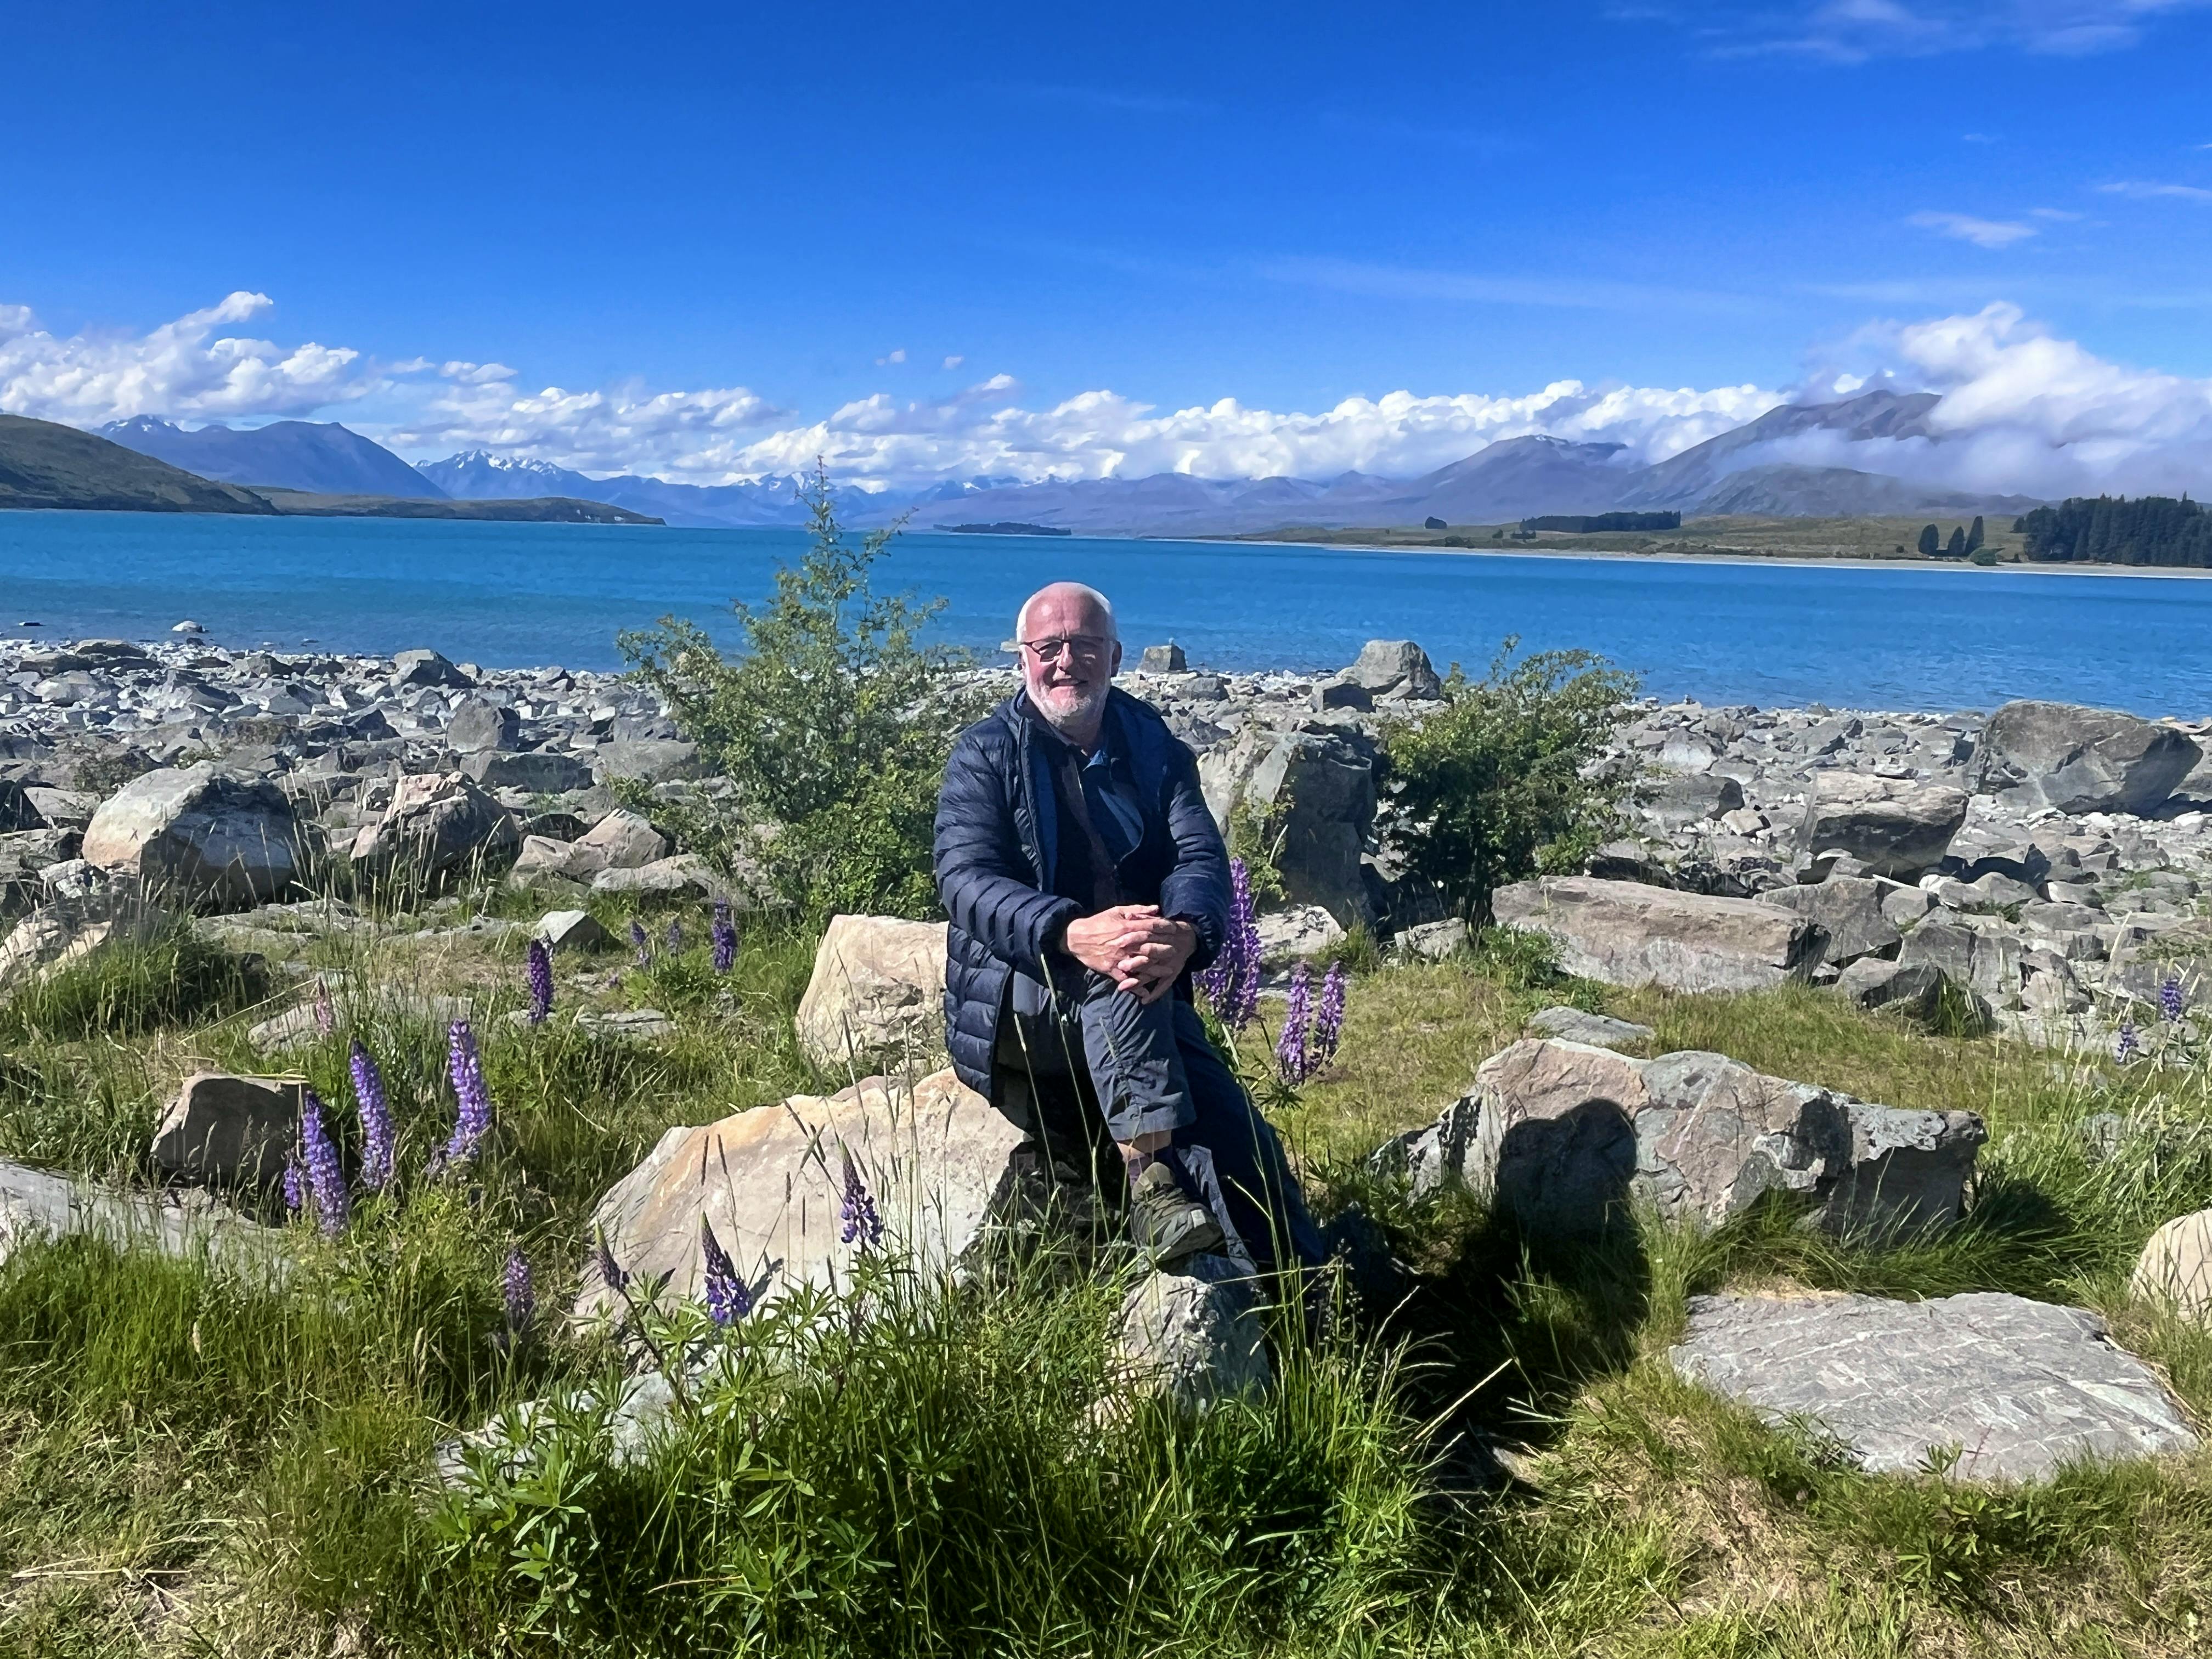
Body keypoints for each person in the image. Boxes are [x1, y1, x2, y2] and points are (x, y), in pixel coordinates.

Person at [933, 581, 1323, 1275]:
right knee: (1118, 963)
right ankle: (1151, 1182)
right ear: (1022, 659)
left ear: (1114, 657)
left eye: (1083, 645)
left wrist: (1185, 932)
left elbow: (1199, 856)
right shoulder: (985, 753)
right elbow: (963, 881)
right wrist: (1071, 931)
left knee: (1240, 1144)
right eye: (1048, 647)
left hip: (1141, 984)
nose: (1065, 661)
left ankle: (1306, 1300)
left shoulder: (1154, 748)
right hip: (1026, 991)